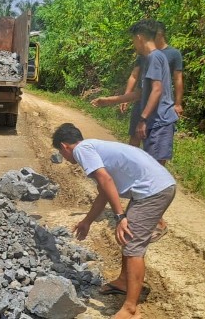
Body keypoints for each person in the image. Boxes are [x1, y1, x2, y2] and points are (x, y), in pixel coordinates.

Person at [52, 123, 176, 319]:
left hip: (154, 191)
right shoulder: (92, 148)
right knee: (127, 239)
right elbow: (104, 192)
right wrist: (87, 221)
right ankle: (124, 281)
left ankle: (131, 309)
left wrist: (120, 217)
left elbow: (106, 180)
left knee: (133, 244)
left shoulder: (82, 150)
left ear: (64, 146)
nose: (65, 159)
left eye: (61, 153)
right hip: (151, 189)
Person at [93, 19, 179, 241]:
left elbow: (157, 91)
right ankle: (148, 219)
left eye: (133, 39)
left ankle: (157, 222)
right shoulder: (150, 58)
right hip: (153, 121)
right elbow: (141, 93)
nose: (133, 44)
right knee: (146, 169)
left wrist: (142, 119)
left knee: (155, 173)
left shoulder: (154, 58)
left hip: (159, 122)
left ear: (140, 37)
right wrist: (109, 100)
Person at [119, 21, 184, 146]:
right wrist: (126, 96)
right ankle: (132, 163)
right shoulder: (144, 53)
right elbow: (134, 75)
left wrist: (178, 103)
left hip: (159, 105)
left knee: (154, 143)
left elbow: (177, 79)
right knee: (135, 136)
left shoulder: (173, 54)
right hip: (140, 101)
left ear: (161, 35)